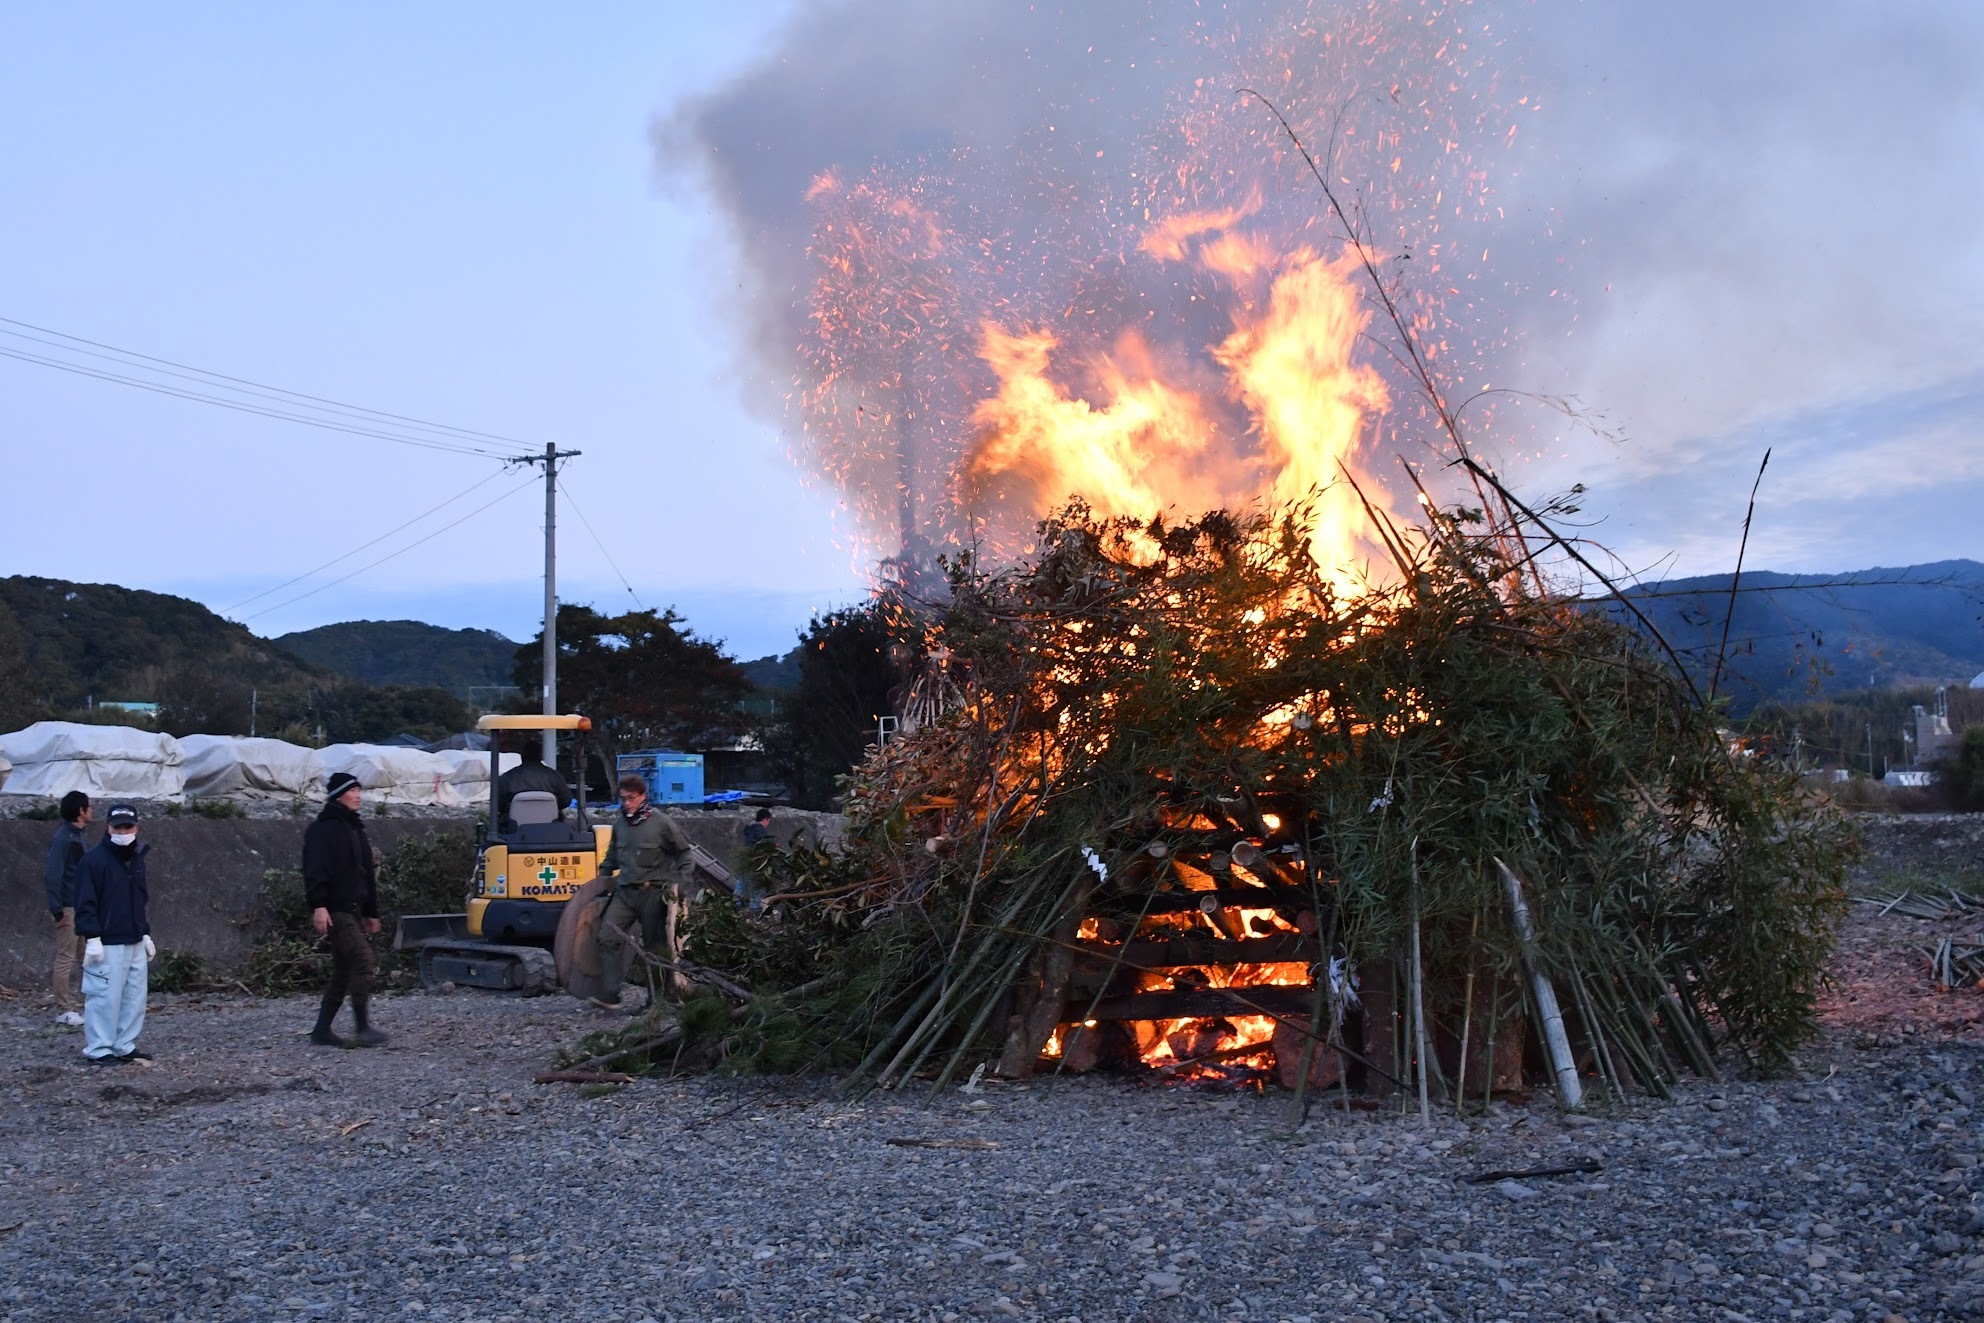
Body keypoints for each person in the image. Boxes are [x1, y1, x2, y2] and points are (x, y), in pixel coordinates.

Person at [591, 774, 694, 1010]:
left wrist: (682, 883)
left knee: (655, 946)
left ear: (643, 796)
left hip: (653, 893)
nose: (627, 803)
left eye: (631, 798)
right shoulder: (619, 825)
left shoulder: (662, 823)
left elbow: (684, 853)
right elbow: (611, 859)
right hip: (624, 892)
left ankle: (655, 1000)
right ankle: (611, 993)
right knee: (607, 937)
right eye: (622, 798)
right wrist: (600, 882)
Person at [302, 771, 386, 1048]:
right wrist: (319, 906)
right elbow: (314, 870)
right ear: (339, 794)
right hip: (335, 910)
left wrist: (371, 912)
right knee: (363, 961)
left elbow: (365, 874)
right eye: (353, 791)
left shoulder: (355, 827)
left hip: (352, 909)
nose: (359, 796)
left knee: (343, 970)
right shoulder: (323, 829)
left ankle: (321, 1031)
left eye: (360, 791)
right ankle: (362, 1027)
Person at [73, 804, 152, 1064]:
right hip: (107, 941)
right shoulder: (93, 860)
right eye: (118, 826)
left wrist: (145, 933)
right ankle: (99, 1048)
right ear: (107, 827)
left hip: (133, 938)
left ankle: (123, 1044)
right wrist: (91, 937)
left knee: (134, 997)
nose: (123, 831)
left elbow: (139, 898)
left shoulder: (137, 857)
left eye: (127, 826)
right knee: (104, 997)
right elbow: (85, 900)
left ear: (136, 827)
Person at [42, 790, 92, 1027]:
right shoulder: (64, 837)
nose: (91, 810)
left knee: (86, 956)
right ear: (81, 811)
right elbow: (53, 874)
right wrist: (58, 910)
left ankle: (88, 1002)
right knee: (66, 956)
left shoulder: (78, 835)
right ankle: (63, 1009)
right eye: (88, 807)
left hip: (81, 904)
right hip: (69, 906)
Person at [494, 740, 570, 832]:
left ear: (522, 756)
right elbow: (566, 801)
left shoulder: (507, 778)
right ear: (541, 756)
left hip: (513, 832)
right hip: (550, 830)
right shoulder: (554, 776)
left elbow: (497, 805)